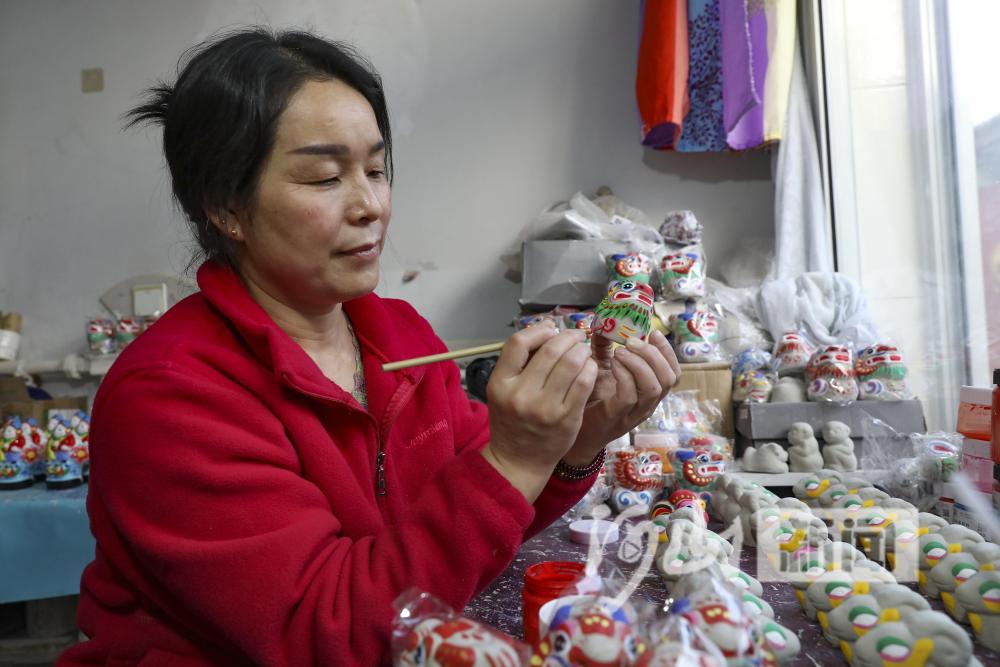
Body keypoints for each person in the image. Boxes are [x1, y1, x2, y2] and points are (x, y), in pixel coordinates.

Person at [60, 28, 679, 666]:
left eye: (377, 171)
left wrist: (575, 443)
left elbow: (487, 513)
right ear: (226, 208)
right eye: (325, 177)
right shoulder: (169, 397)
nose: (371, 206)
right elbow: (325, 633)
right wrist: (516, 458)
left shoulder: (399, 335)